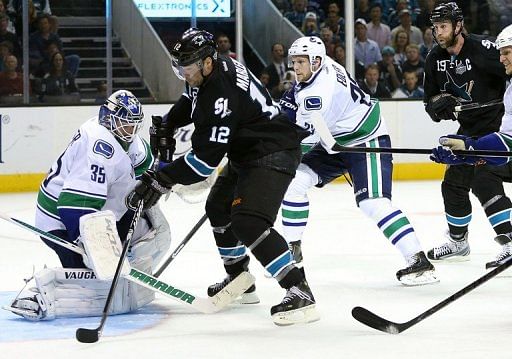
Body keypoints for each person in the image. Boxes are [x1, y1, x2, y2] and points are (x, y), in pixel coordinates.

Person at [127, 28, 319, 326]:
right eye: (178, 67)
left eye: (187, 68)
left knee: (249, 221)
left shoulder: (219, 91)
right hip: (248, 150)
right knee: (218, 207)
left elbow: (204, 164)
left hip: (272, 151)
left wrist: (162, 177)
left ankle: (299, 289)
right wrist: (169, 122)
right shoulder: (206, 72)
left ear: (206, 62)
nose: (183, 74)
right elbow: (190, 101)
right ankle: (239, 278)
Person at [279, 36, 438, 286]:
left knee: (373, 203)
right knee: (295, 181)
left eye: (301, 62)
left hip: (365, 139)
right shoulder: (323, 66)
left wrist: (275, 154)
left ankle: (418, 260)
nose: (296, 67)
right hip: (334, 139)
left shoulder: (318, 94)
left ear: (316, 61)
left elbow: (306, 138)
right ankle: (292, 248)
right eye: (294, 61)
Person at [5, 90, 171, 320]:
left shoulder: (131, 143)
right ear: (109, 119)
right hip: (58, 220)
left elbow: (151, 170)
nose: (130, 131)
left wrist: (176, 175)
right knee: (87, 280)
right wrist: (94, 248)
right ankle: (38, 296)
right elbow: (74, 206)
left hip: (103, 212)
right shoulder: (98, 145)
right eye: (124, 124)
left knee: (156, 229)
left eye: (133, 125)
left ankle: (122, 270)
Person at [423, 2, 512, 267]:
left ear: (459, 25)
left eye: (444, 26)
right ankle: (458, 241)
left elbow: (508, 74)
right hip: (470, 129)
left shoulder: (487, 50)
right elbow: (430, 104)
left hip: (499, 128)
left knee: (484, 177)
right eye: (435, 27)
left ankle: (508, 238)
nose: (438, 32)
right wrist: (439, 104)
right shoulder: (433, 59)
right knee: (453, 183)